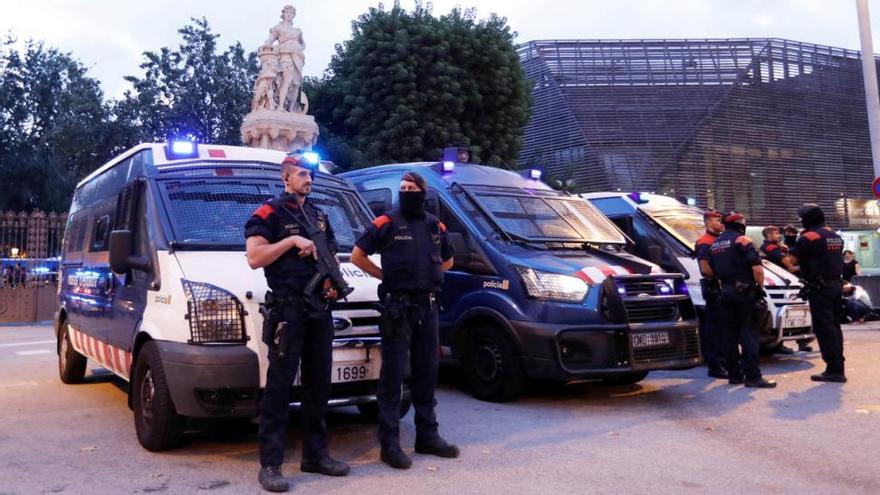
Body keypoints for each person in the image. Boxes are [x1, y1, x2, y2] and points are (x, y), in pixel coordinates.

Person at [245, 154, 350, 493]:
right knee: (279, 388)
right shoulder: (269, 213)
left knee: (319, 384)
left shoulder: (319, 214)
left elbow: (332, 253)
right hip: (288, 310)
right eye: (302, 174)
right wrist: (291, 241)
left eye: (311, 175)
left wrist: (333, 280)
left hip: (320, 308)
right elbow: (254, 258)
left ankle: (315, 455)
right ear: (286, 179)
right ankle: (271, 464)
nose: (309, 179)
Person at [351, 171, 459, 469]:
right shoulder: (386, 222)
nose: (406, 191)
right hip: (398, 308)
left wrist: (429, 275)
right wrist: (385, 276)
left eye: (411, 187)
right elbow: (358, 255)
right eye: (403, 188)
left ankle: (428, 436)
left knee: (427, 374)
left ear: (422, 191)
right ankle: (390, 444)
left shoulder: (434, 225)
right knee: (393, 377)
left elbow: (448, 259)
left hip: (428, 307)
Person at [707, 213, 776, 388]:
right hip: (744, 292)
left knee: (729, 335)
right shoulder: (743, 240)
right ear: (739, 224)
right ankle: (753, 377)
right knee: (749, 333)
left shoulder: (715, 244)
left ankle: (735, 375)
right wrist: (759, 289)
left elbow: (711, 270)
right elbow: (758, 270)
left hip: (725, 291)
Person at [783, 204, 847, 383]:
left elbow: (791, 260)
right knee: (834, 327)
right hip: (835, 286)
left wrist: (789, 240)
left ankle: (834, 370)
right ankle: (838, 366)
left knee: (824, 329)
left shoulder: (808, 237)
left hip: (819, 289)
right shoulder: (834, 236)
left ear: (807, 219)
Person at [759, 226, 813, 353]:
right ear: (768, 235)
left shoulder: (777, 247)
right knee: (785, 313)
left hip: (784, 282)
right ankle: (783, 344)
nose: (779, 235)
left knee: (793, 313)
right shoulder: (770, 247)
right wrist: (807, 265)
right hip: (781, 283)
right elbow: (789, 264)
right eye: (776, 233)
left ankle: (801, 342)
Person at [694, 209, 727, 379]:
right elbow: (705, 268)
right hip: (714, 287)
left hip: (723, 288)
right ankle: (715, 365)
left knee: (725, 327)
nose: (721, 223)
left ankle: (724, 361)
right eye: (717, 220)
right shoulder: (704, 242)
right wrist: (721, 278)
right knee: (715, 327)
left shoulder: (720, 240)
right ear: (707, 222)